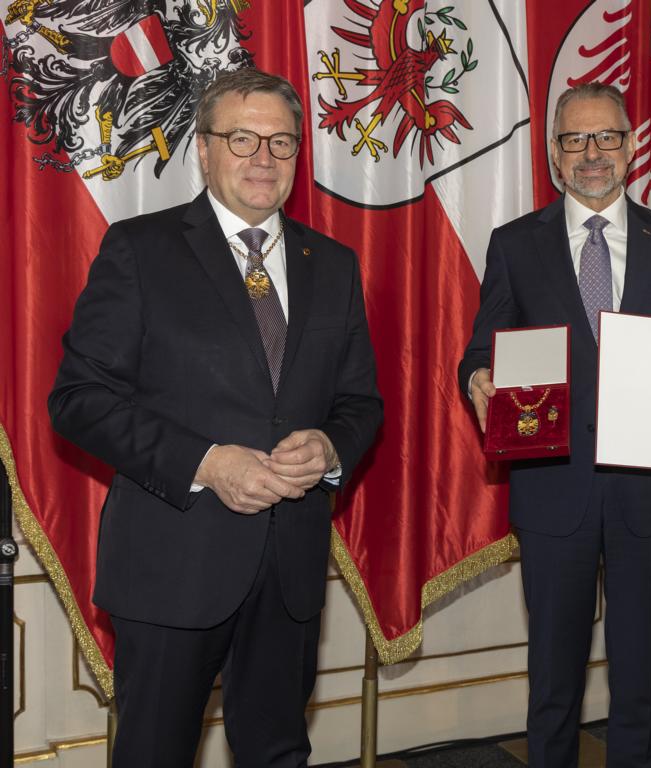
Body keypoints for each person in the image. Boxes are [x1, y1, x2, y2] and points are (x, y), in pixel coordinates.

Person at [48, 68, 382, 766]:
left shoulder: (335, 266)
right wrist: (206, 463)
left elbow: (360, 403)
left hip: (289, 566)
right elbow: (79, 398)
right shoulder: (140, 250)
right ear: (203, 150)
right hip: (173, 563)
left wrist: (329, 444)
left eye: (281, 142)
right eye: (242, 138)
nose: (263, 158)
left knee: (278, 753)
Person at [458, 82, 651, 767]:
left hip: (649, 493)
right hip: (553, 492)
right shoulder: (515, 245)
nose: (593, 153)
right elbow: (483, 349)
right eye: (575, 139)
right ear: (553, 156)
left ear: (632, 147)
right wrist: (477, 378)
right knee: (553, 683)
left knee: (640, 682)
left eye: (607, 137)